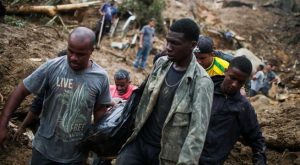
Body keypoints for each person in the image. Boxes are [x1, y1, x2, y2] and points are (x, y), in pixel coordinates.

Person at [0, 27, 112, 165]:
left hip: (75, 155)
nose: (73, 58)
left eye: (80, 54)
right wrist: (3, 124)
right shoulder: (52, 67)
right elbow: (21, 90)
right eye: (70, 51)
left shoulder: (100, 77)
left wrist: (99, 140)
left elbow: (100, 110)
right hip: (44, 150)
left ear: (91, 51)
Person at [116, 18, 214, 165]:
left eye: (175, 43)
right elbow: (141, 101)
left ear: (192, 46)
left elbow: (197, 132)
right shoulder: (161, 64)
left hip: (165, 156)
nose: (168, 47)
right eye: (168, 41)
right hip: (139, 143)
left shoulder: (202, 82)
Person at [199, 56, 267, 165]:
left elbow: (257, 139)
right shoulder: (203, 90)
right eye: (232, 78)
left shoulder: (243, 107)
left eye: (240, 82)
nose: (235, 84)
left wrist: (260, 160)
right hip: (184, 156)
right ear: (226, 71)